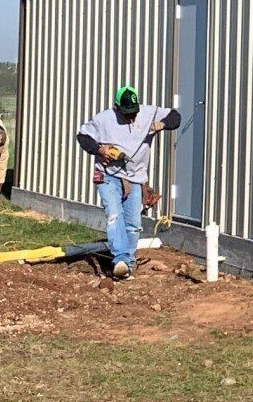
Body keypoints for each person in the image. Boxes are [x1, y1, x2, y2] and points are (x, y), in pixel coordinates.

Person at [77, 84, 181, 278]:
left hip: (135, 177)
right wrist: (100, 150)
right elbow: (83, 137)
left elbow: (175, 116)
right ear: (116, 108)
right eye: (126, 114)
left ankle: (127, 266)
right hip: (109, 174)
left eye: (134, 112)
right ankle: (120, 259)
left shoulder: (149, 112)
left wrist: (162, 124)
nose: (131, 117)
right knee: (114, 215)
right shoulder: (104, 119)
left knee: (133, 223)